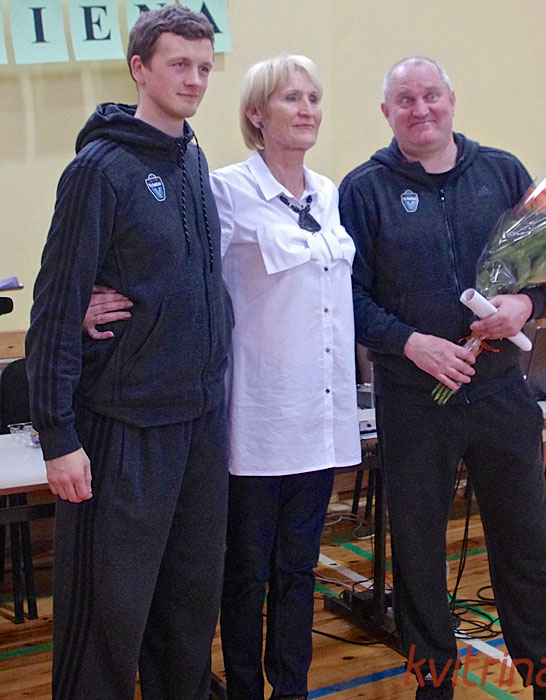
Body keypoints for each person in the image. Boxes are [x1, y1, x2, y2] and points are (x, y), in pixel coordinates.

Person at [83, 54, 362, 700]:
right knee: (244, 572)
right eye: (291, 98)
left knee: (298, 569)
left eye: (313, 98)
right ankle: (242, 687)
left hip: (320, 420)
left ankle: (289, 688)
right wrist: (87, 298)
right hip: (255, 422)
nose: (307, 109)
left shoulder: (329, 193)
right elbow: (168, 264)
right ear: (256, 114)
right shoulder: (226, 190)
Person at [338, 57, 546, 700]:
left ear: (451, 100)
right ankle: (434, 686)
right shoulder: (362, 191)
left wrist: (525, 304)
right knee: (418, 556)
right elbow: (347, 297)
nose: (421, 109)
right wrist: (410, 343)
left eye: (431, 95)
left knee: (526, 547)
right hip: (413, 401)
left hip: (500, 392)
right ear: (386, 113)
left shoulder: (503, 172)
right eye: (405, 99)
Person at [25, 6, 233, 700]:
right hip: (123, 429)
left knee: (187, 613)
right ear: (140, 69)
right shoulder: (98, 170)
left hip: (198, 425)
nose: (194, 79)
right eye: (179, 65)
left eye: (204, 67)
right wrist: (58, 437)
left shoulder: (193, 158)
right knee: (106, 623)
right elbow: (55, 312)